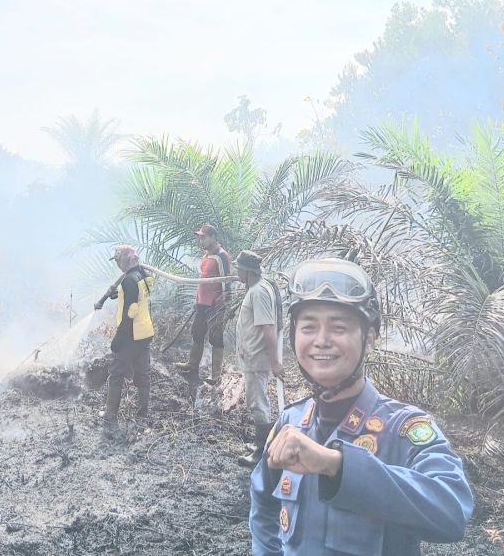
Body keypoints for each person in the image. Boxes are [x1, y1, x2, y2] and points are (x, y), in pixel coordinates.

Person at [249, 258, 473, 555]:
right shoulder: (290, 422)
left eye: (338, 327)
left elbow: (452, 512)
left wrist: (337, 465)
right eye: (308, 327)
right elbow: (263, 507)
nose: (321, 341)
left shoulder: (404, 429)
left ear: (368, 338)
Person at [95, 244, 154, 441]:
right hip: (145, 332)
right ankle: (142, 417)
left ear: (126, 260)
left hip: (131, 334)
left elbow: (130, 313)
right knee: (143, 374)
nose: (117, 264)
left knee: (116, 374)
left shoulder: (129, 280)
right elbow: (137, 295)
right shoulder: (143, 275)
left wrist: (118, 339)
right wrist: (119, 293)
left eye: (119, 260)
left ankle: (110, 419)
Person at [233, 250, 284, 468]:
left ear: (246, 271)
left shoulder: (259, 292)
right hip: (252, 356)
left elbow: (268, 327)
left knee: (258, 402)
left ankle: (262, 452)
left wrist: (275, 362)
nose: (236, 272)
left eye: (238, 269)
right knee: (256, 400)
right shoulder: (255, 289)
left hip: (257, 357)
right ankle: (260, 443)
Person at [175, 223, 231, 385]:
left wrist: (224, 301)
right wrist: (197, 300)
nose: (202, 240)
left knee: (216, 337)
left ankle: (215, 375)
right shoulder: (206, 255)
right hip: (202, 303)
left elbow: (226, 280)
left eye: (204, 237)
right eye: (200, 237)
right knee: (197, 333)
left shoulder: (221, 256)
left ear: (213, 237)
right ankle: (192, 365)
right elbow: (202, 281)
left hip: (215, 305)